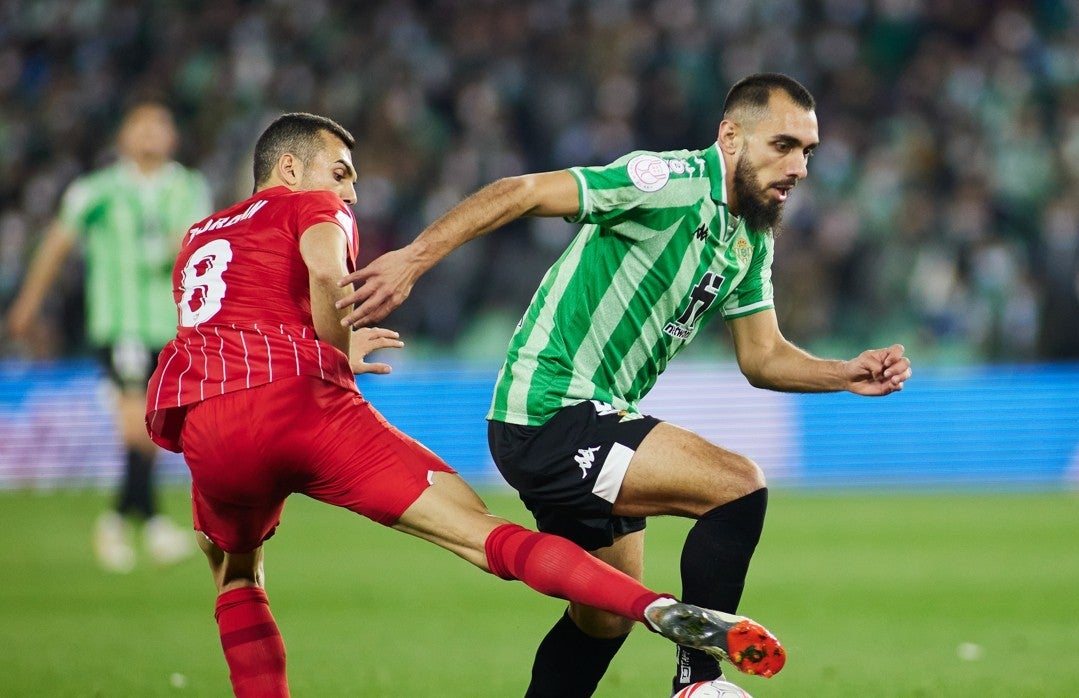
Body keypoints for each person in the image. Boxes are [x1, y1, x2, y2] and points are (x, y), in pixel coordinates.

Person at [145, 112, 785, 697]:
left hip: (207, 417)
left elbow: (234, 320)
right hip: (302, 408)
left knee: (236, 573)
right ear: (289, 168)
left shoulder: (199, 236)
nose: (350, 193)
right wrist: (338, 336)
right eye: (341, 173)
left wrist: (325, 343)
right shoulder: (311, 206)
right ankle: (652, 608)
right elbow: (322, 269)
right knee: (487, 539)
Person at [338, 72, 912, 697]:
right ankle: (700, 680)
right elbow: (524, 191)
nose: (799, 166)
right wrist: (414, 258)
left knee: (603, 617)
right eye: (782, 145)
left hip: (591, 416)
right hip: (550, 408)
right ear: (730, 138)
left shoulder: (749, 239)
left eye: (808, 151)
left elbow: (763, 357)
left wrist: (844, 373)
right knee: (737, 487)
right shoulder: (668, 182)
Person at [6, 101, 209, 573]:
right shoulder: (97, 191)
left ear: (173, 137)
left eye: (160, 124)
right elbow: (57, 243)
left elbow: (197, 243)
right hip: (123, 324)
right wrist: (28, 304)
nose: (151, 134)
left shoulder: (189, 187)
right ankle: (140, 524)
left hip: (175, 327)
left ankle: (127, 521)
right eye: (141, 125)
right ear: (123, 136)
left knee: (156, 429)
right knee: (137, 425)